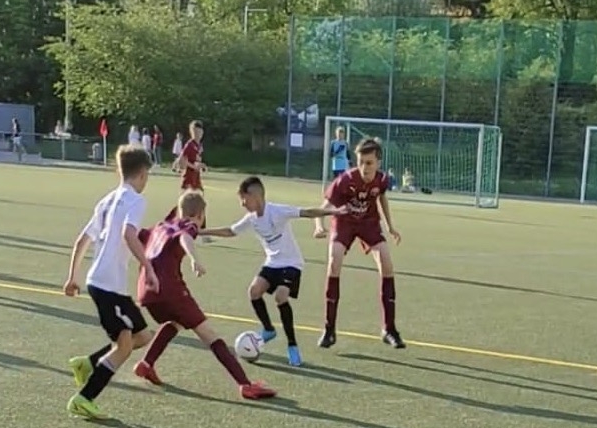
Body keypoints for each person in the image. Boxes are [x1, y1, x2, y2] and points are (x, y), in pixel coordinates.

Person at [132, 189, 277, 399]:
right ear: (200, 215)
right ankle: (245, 385)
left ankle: (146, 364)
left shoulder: (160, 226)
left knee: (176, 322)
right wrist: (194, 258)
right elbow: (185, 237)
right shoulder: (188, 225)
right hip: (169, 289)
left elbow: (137, 237)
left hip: (145, 290)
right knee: (209, 334)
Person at [202, 177, 346, 366]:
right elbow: (230, 231)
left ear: (256, 196)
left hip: (292, 263)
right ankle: (268, 330)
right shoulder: (251, 218)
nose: (242, 204)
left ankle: (292, 346)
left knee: (280, 296)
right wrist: (201, 232)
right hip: (273, 263)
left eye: (244, 199)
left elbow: (306, 212)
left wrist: (333, 211)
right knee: (254, 291)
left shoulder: (277, 211)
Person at [63, 145, 157, 420]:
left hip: (103, 283)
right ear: (142, 173)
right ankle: (84, 398)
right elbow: (129, 234)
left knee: (142, 336)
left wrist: (72, 277)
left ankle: (87, 363)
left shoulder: (106, 201)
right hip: (108, 285)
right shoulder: (136, 201)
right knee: (125, 346)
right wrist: (148, 266)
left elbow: (82, 240)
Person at [313, 138, 404, 349]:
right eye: (361, 162)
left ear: (378, 162)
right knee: (334, 261)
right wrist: (319, 225)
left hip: (369, 223)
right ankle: (329, 329)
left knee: (387, 263)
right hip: (344, 222)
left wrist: (390, 226)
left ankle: (389, 329)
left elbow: (381, 198)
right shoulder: (345, 180)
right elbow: (324, 206)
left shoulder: (381, 179)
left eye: (369, 162)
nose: (364, 167)